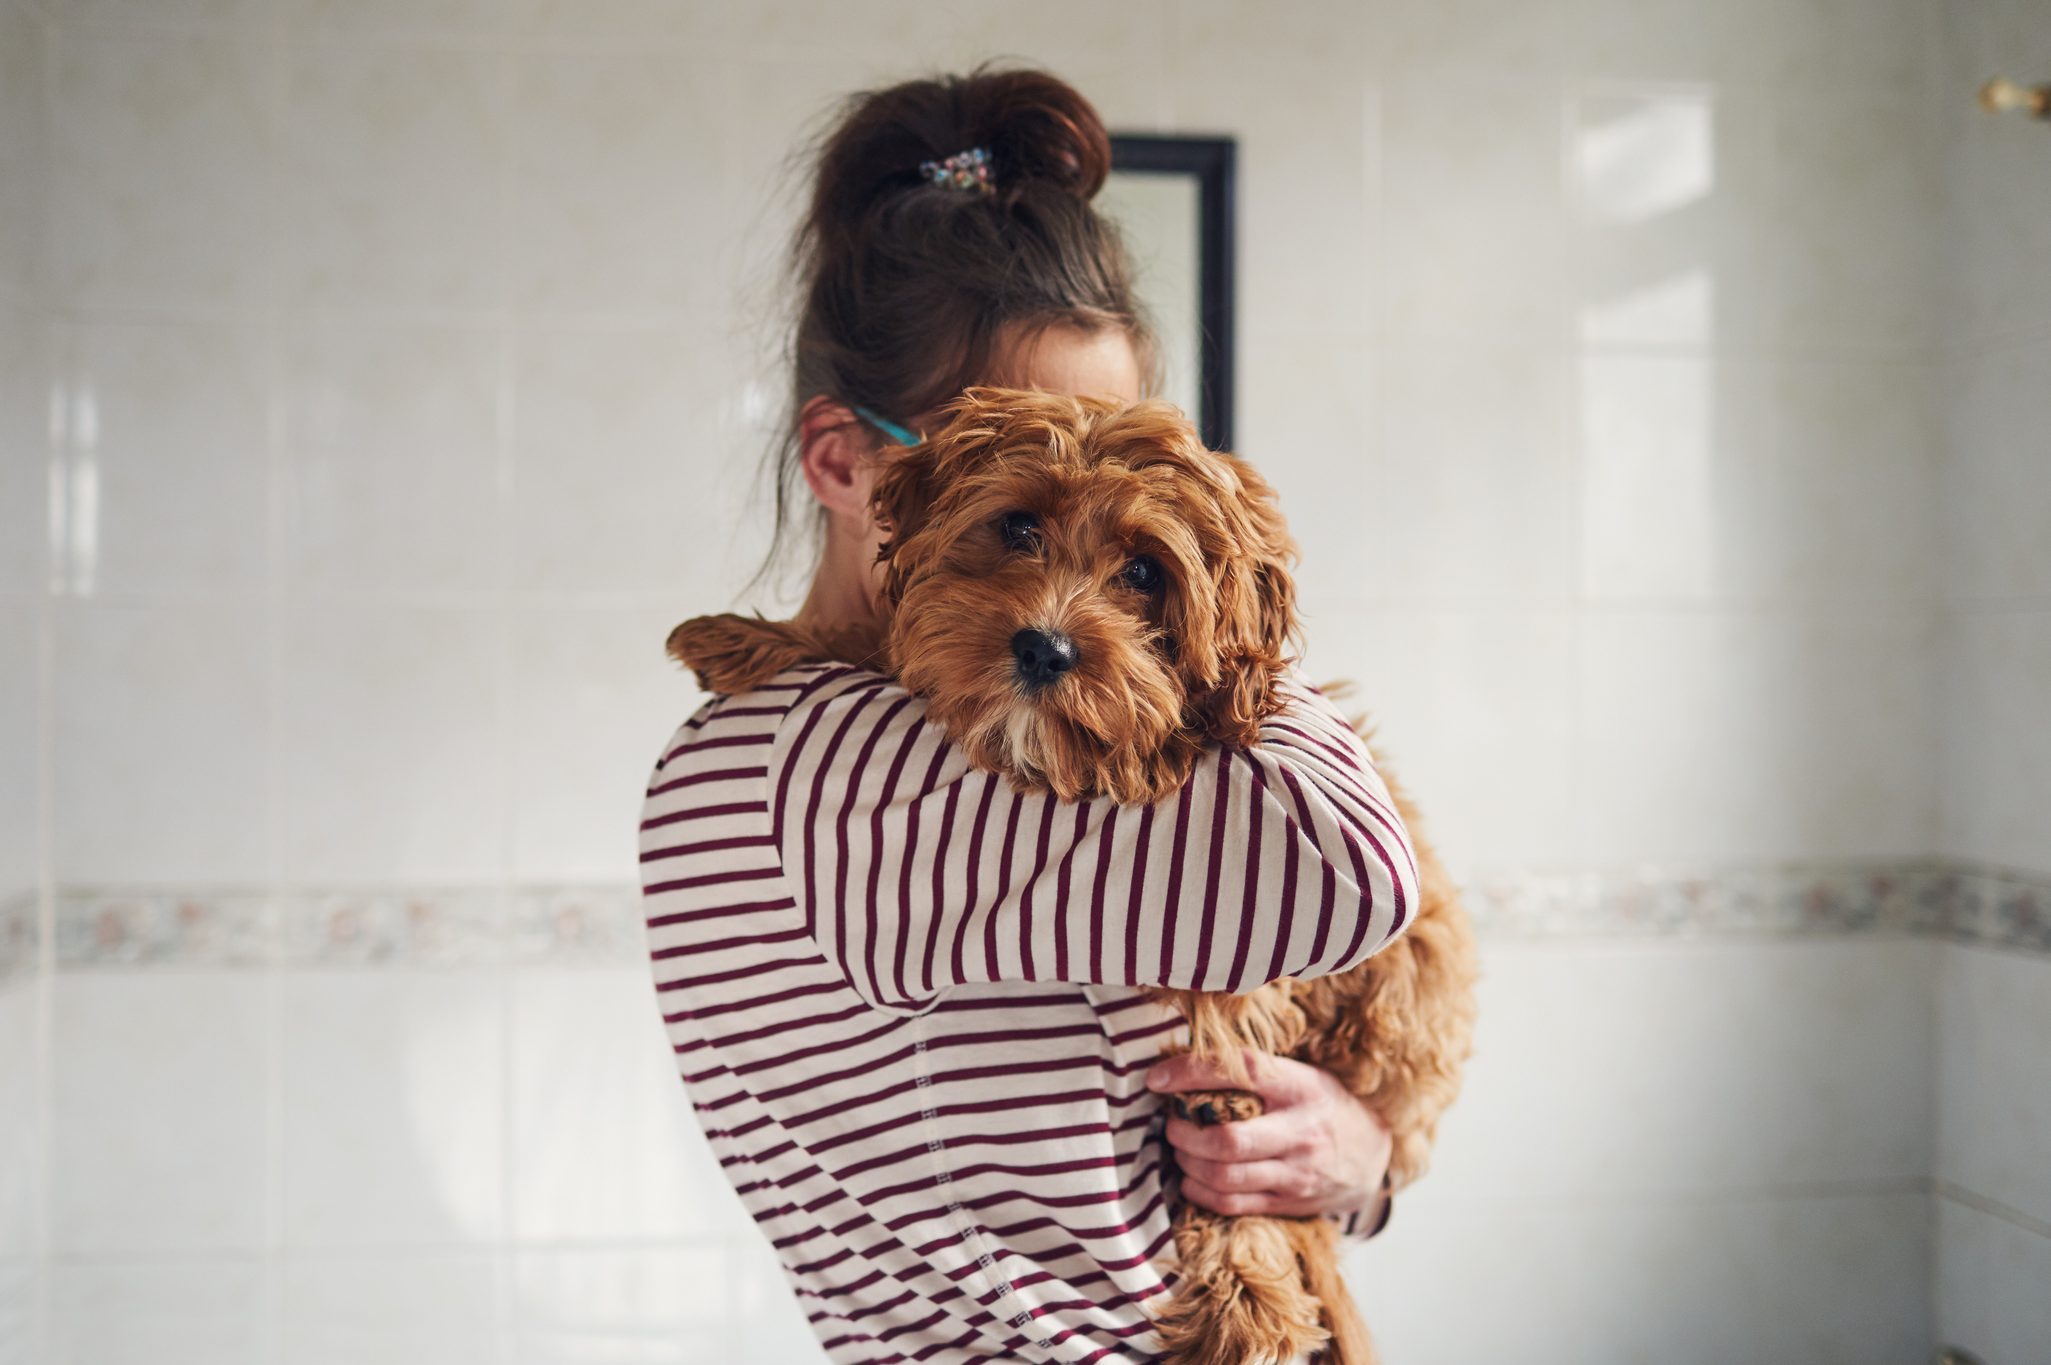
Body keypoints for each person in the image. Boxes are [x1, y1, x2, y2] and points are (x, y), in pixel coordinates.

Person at [641, 64, 1412, 1363]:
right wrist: (1231, 597)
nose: (1075, 589)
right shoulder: (830, 762)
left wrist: (1354, 1159)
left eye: (1133, 473)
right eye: (1019, 492)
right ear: (846, 459)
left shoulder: (874, 753)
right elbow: (1351, 866)